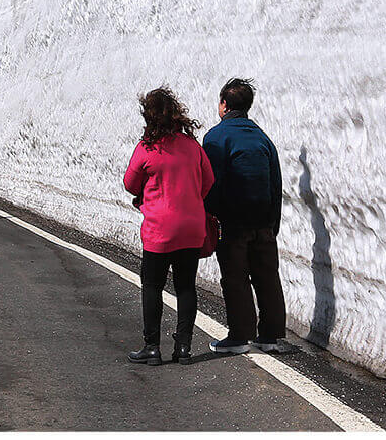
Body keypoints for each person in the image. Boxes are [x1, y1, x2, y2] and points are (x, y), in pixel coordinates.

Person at [122, 88, 214, 365]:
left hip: (159, 230)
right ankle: (183, 347)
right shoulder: (192, 146)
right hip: (191, 227)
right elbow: (208, 180)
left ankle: (152, 347)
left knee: (152, 285)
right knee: (186, 286)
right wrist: (189, 199)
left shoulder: (147, 148)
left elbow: (130, 183)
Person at [202, 78, 291, 354]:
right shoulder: (263, 138)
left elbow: (212, 182)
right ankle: (271, 336)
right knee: (266, 276)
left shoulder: (216, 137)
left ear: (224, 105)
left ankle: (240, 335)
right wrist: (273, 223)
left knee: (235, 277)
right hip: (263, 220)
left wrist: (211, 215)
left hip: (233, 221)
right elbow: (276, 183)